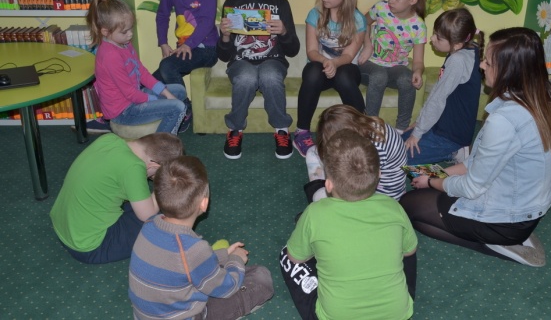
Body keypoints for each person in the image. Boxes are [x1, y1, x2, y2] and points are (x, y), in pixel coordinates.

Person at [400, 27, 551, 267]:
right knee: (427, 199)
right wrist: (439, 174)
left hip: (507, 220)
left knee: (409, 206)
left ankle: (496, 244)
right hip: (527, 210)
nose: (481, 65)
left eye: (488, 61)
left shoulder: (505, 119)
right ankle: (507, 236)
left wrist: (432, 181)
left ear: (509, 70)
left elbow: (472, 187)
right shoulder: (540, 99)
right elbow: (478, 162)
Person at [280, 129, 418, 320]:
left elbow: (295, 258)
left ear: (328, 184)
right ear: (379, 174)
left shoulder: (314, 213)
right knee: (408, 246)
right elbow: (409, 252)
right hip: (397, 315)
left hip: (335, 316)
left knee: (286, 255)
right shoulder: (394, 207)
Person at [129, 156, 274, 320]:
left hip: (146, 315)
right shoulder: (193, 250)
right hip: (186, 316)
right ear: (204, 204)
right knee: (261, 278)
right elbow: (226, 288)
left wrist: (224, 254)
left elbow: (180, 264)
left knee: (205, 272)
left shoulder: (149, 224)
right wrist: (236, 259)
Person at [217, 0, 299, 160]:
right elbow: (223, 56)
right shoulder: (232, 4)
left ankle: (281, 129)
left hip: (273, 60)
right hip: (240, 62)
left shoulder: (281, 4)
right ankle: (235, 129)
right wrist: (224, 36)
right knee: (246, 77)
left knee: (270, 75)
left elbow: (293, 50)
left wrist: (284, 32)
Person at [50, 132, 184, 264]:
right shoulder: (133, 167)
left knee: (138, 201)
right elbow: (147, 215)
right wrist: (163, 185)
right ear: (154, 165)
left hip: (65, 228)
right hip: (91, 247)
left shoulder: (108, 139)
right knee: (165, 212)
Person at [88, 0, 188, 134]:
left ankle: (163, 121)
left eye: (131, 29)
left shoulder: (124, 43)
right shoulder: (110, 56)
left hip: (135, 97)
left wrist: (164, 92)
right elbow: (129, 93)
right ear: (105, 31)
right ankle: (161, 143)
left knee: (179, 90)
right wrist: (155, 100)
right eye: (124, 32)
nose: (130, 34)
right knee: (178, 107)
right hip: (123, 112)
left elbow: (141, 72)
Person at [293, 0, 366, 158]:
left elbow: (348, 56)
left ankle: (363, 129)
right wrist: (326, 61)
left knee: (343, 75)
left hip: (346, 69)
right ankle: (301, 132)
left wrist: (335, 63)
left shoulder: (358, 19)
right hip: (321, 69)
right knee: (312, 71)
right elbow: (311, 51)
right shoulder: (315, 14)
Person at [153, 0, 220, 132]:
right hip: (184, 47)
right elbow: (162, 14)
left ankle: (185, 109)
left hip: (207, 48)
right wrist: (163, 43)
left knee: (168, 66)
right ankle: (162, 113)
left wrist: (188, 45)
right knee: (149, 83)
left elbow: (207, 21)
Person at [403, 8, 484, 165]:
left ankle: (454, 152)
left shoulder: (458, 60)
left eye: (438, 38)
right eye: (434, 33)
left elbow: (437, 99)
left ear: (457, 44)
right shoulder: (467, 48)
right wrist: (419, 124)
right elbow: (438, 93)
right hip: (441, 125)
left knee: (396, 157)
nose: (432, 38)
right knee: (398, 143)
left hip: (449, 136)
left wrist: (417, 133)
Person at [358, 0, 428, 132]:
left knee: (407, 79)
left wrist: (417, 72)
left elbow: (418, 61)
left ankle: (401, 129)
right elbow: (362, 23)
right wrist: (367, 45)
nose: (391, 0)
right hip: (369, 64)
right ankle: (370, 125)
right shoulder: (381, 8)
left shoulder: (418, 26)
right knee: (379, 75)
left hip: (395, 68)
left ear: (413, 0)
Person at [303, 104, 407, 203]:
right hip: (368, 180)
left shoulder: (373, 149)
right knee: (313, 152)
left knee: (318, 196)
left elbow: (355, 185)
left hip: (378, 197)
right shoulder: (368, 129)